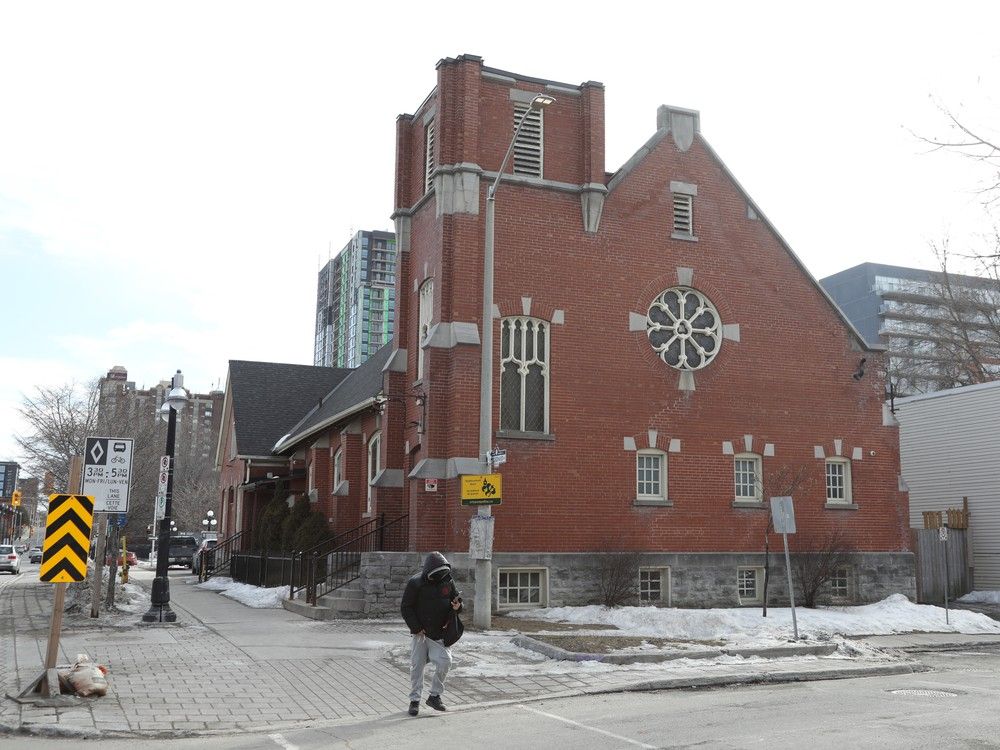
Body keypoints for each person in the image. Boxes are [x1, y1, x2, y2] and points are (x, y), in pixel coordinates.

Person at [400, 551, 463, 716]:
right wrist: (415, 627)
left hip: (439, 634)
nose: (440, 576)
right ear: (428, 571)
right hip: (420, 634)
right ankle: (414, 700)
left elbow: (456, 600)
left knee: (445, 661)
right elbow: (406, 607)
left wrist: (458, 607)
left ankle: (435, 696)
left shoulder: (448, 581)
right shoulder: (415, 583)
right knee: (417, 666)